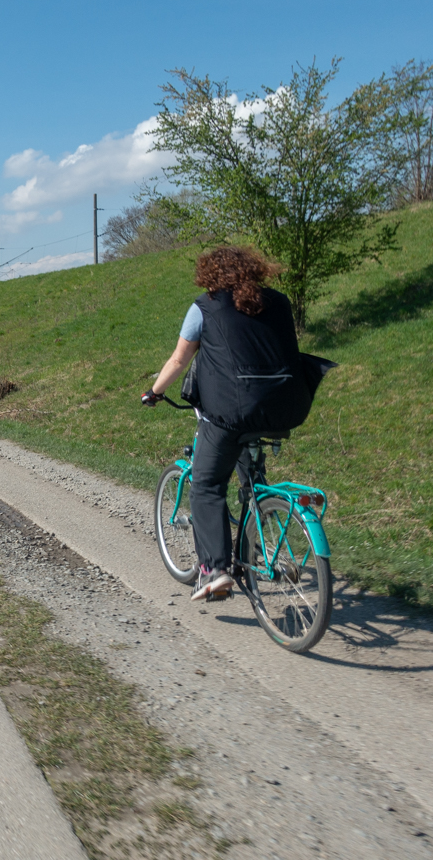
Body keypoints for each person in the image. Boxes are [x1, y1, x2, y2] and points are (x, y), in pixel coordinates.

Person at [141, 246, 313, 601]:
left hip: (232, 411)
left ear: (209, 275)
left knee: (205, 484)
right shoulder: (279, 302)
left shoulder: (205, 307)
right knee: (248, 473)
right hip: (285, 405)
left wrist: (154, 392)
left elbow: (178, 359)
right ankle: (264, 525)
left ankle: (214, 569)